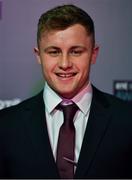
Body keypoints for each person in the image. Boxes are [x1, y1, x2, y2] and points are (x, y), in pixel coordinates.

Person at [0, 4, 132, 179]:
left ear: (94, 54)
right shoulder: (5, 126)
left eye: (76, 51)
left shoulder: (127, 120)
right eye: (54, 52)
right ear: (38, 55)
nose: (64, 63)